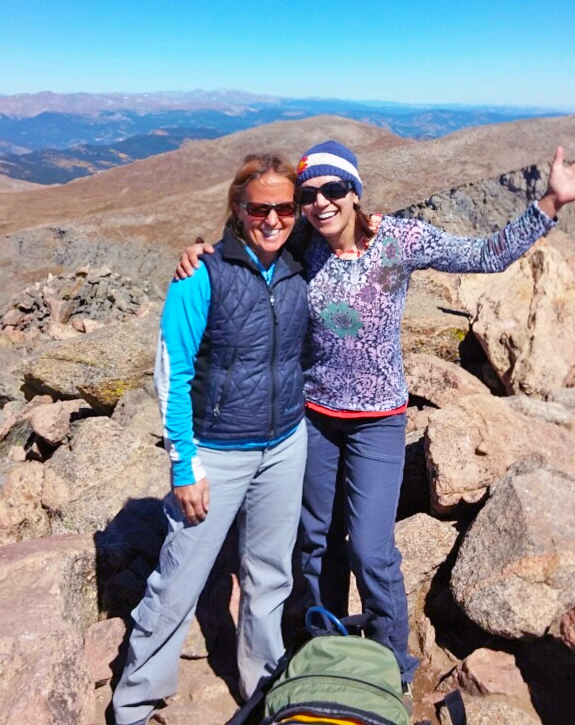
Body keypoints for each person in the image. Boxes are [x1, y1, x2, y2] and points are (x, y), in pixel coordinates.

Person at [177, 139, 575, 691]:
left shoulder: (400, 239)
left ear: (354, 192)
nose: (320, 202)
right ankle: (327, 643)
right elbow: (253, 243)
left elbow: (484, 255)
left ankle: (392, 664)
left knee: (369, 547)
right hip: (312, 417)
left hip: (377, 419)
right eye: (310, 193)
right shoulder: (301, 245)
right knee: (314, 539)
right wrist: (202, 252)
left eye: (333, 189)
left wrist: (550, 204)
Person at [113, 153, 309, 725]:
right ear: (237, 208)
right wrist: (183, 464)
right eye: (259, 208)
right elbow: (172, 375)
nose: (272, 219)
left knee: (270, 574)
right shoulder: (200, 274)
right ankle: (134, 703)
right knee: (179, 578)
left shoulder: (300, 262)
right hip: (217, 452)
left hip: (284, 443)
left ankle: (262, 685)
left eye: (284, 208)